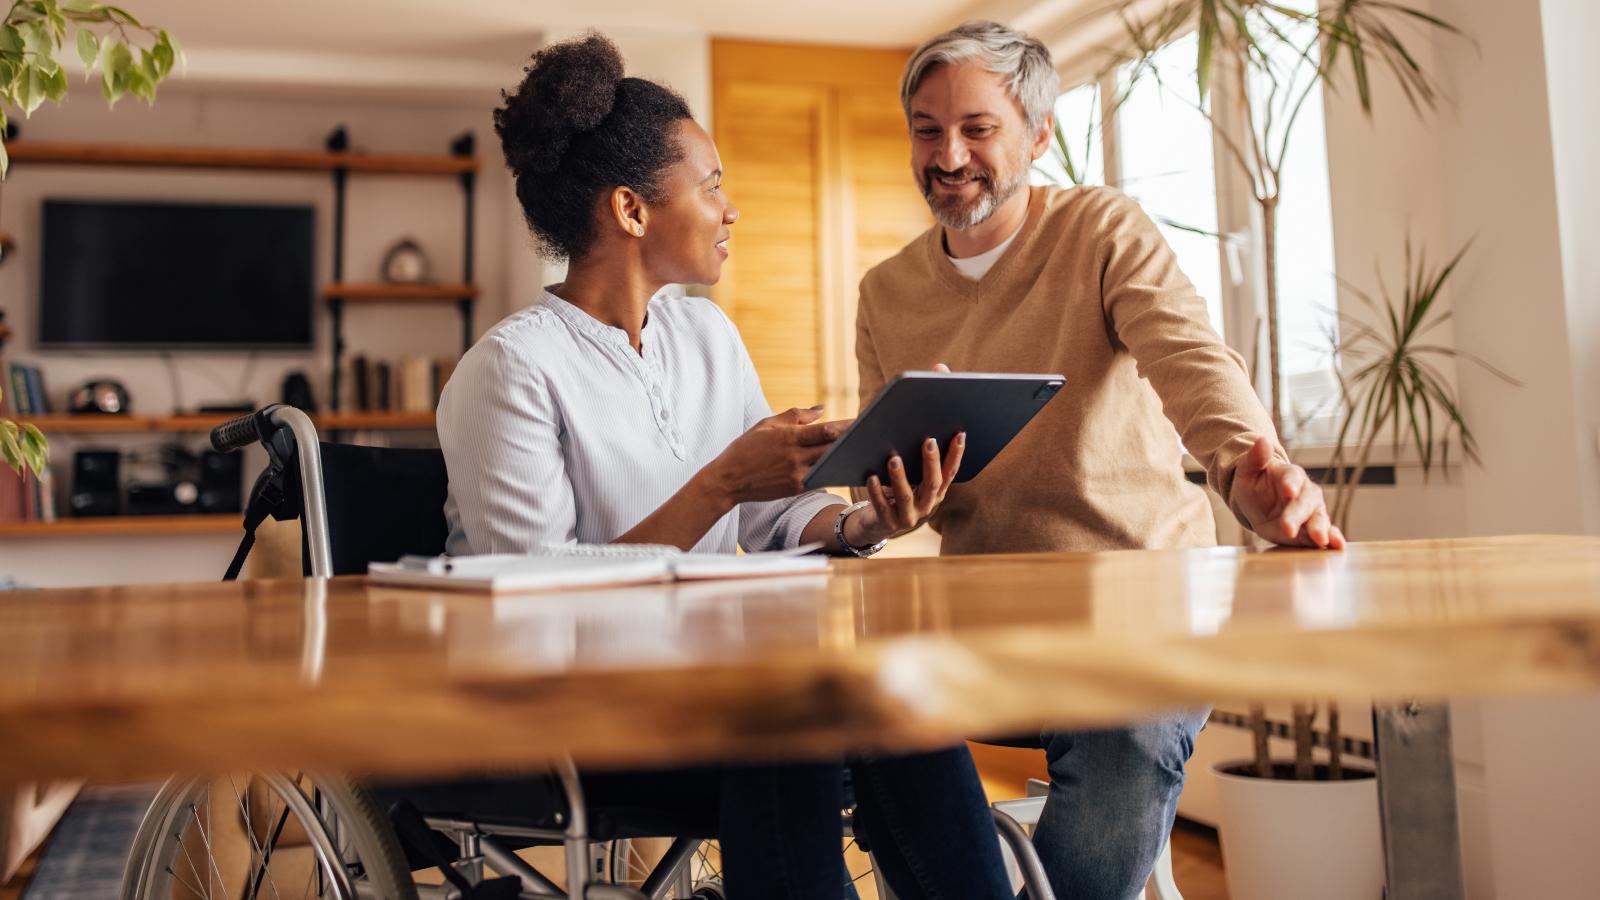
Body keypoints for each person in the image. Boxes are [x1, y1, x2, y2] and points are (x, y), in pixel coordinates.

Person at [436, 32, 1013, 900]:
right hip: (574, 714)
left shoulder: (706, 334)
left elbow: (771, 518)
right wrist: (720, 482)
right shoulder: (510, 369)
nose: (729, 209)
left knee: (901, 697)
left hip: (718, 684)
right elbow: (533, 592)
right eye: (711, 186)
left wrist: (864, 520)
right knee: (788, 711)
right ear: (631, 211)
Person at [855, 20, 1346, 900]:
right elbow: (882, 461)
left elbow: (1188, 355)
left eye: (977, 128)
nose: (948, 153)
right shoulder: (885, 293)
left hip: (1142, 604)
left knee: (1133, 726)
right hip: (987, 620)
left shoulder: (1099, 230)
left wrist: (1247, 469)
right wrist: (889, 504)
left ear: (1039, 136)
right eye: (927, 129)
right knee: (863, 711)